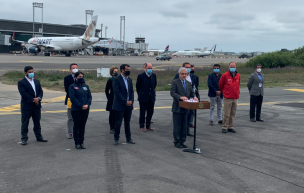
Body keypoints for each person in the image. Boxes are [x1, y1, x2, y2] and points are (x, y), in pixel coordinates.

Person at [18, 66, 47, 145]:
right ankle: (24, 138)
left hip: (36, 106)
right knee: (25, 123)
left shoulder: (37, 81)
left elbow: (40, 91)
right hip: (27, 106)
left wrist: (38, 98)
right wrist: (32, 100)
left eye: (32, 72)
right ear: (25, 73)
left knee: (37, 122)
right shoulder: (21, 82)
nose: (31, 73)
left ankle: (39, 137)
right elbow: (23, 93)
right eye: (29, 72)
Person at [170, 67, 198, 148]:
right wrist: (180, 97)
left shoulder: (188, 83)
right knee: (177, 126)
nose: (184, 75)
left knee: (184, 126)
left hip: (186, 108)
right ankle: (177, 141)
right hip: (177, 108)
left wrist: (194, 97)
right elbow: (172, 93)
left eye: (185, 74)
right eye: (182, 74)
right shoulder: (175, 82)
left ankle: (182, 141)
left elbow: (191, 93)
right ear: (179, 74)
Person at [174, 62, 199, 136]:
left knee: (189, 116)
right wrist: (180, 97)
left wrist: (195, 96)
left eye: (189, 67)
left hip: (190, 100)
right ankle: (181, 133)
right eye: (186, 67)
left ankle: (187, 130)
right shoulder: (178, 77)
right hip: (181, 102)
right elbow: (174, 89)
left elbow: (194, 88)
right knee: (180, 120)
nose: (188, 69)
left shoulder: (194, 77)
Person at [112, 64, 135, 146]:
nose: (128, 71)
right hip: (120, 105)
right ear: (122, 70)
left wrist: (131, 101)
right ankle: (116, 138)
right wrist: (125, 101)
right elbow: (117, 92)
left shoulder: (129, 79)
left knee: (127, 122)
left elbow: (131, 91)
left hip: (129, 105)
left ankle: (128, 138)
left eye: (129, 69)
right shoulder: (117, 79)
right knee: (118, 123)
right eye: (126, 69)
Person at [69, 72, 92, 149]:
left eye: (82, 76)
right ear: (75, 78)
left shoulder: (86, 86)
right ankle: (77, 142)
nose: (81, 78)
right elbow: (72, 98)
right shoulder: (72, 87)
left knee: (82, 126)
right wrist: (81, 106)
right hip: (76, 109)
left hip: (85, 109)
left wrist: (87, 105)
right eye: (79, 76)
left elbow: (89, 97)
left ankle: (82, 141)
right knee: (77, 126)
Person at [219, 62, 240, 133]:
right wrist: (225, 92)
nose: (232, 68)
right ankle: (224, 126)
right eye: (231, 66)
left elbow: (238, 85)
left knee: (233, 113)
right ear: (229, 67)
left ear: (236, 67)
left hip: (235, 97)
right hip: (228, 97)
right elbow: (221, 85)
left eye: (234, 66)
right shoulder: (225, 75)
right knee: (226, 113)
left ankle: (230, 126)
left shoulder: (238, 76)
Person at [136, 63, 157, 132]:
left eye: (151, 68)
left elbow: (154, 85)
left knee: (150, 112)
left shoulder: (154, 76)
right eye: (148, 68)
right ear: (145, 68)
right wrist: (141, 94)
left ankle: (148, 125)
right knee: (142, 112)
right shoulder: (141, 76)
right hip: (143, 97)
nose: (150, 70)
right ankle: (142, 126)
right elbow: (138, 87)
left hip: (151, 97)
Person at [64, 63, 78, 139]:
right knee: (70, 117)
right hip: (70, 99)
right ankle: (70, 132)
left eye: (76, 68)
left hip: (79, 100)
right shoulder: (67, 78)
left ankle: (77, 131)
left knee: (78, 117)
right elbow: (67, 89)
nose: (75, 69)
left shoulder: (80, 77)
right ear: (70, 69)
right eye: (73, 68)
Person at [105, 66, 119, 134]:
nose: (116, 73)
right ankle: (112, 128)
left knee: (117, 114)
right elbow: (106, 90)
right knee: (112, 114)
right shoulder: (110, 80)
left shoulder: (119, 79)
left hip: (118, 99)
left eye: (117, 71)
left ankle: (116, 126)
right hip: (112, 98)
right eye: (114, 72)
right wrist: (109, 98)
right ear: (111, 73)